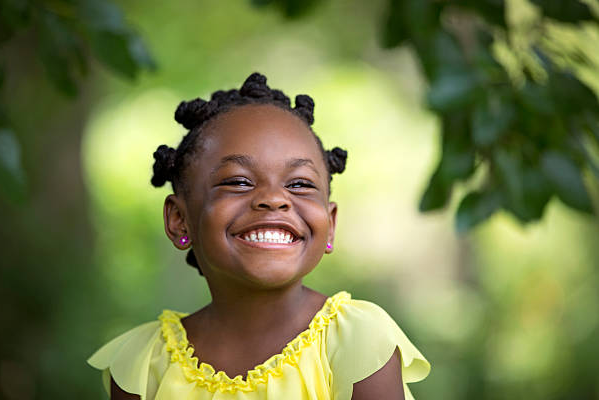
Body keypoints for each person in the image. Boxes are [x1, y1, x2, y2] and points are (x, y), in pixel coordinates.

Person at [87, 73, 430, 400]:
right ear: (180, 220)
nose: (274, 198)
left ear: (330, 222)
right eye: (238, 181)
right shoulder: (143, 364)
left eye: (299, 184)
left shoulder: (358, 341)